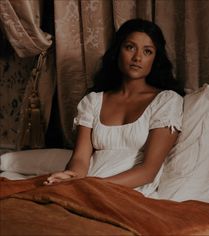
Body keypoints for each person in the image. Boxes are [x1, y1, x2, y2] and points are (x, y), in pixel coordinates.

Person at [44, 18, 185, 197]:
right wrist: (71, 181)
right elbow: (80, 158)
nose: (137, 58)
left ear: (155, 59)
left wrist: (92, 186)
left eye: (147, 51)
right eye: (130, 47)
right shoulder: (93, 101)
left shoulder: (166, 101)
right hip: (85, 188)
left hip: (127, 193)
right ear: (118, 51)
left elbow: (148, 171)